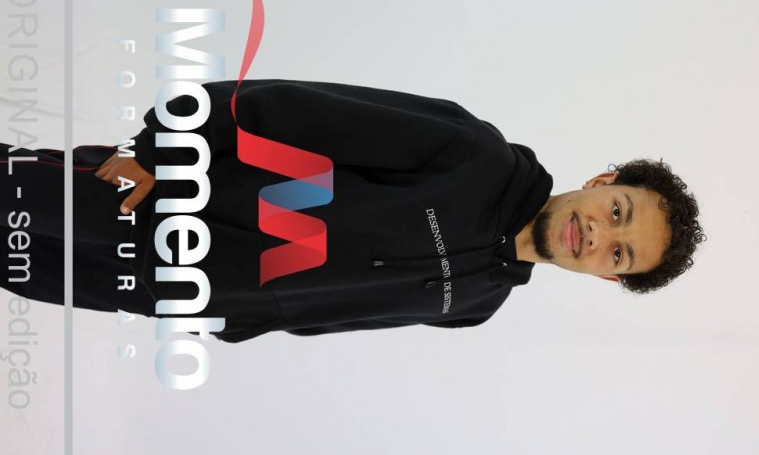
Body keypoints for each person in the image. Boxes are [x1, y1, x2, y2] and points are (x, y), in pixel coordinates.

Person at [0, 79, 705, 342]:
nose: (600, 233)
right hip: (165, 195)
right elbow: (295, 110)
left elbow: (337, 313)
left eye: (620, 252)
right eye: (618, 210)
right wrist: (163, 146)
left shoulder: (478, 303)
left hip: (171, 287)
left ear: (608, 276)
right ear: (602, 181)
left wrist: (235, 317)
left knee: (12, 266)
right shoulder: (475, 156)